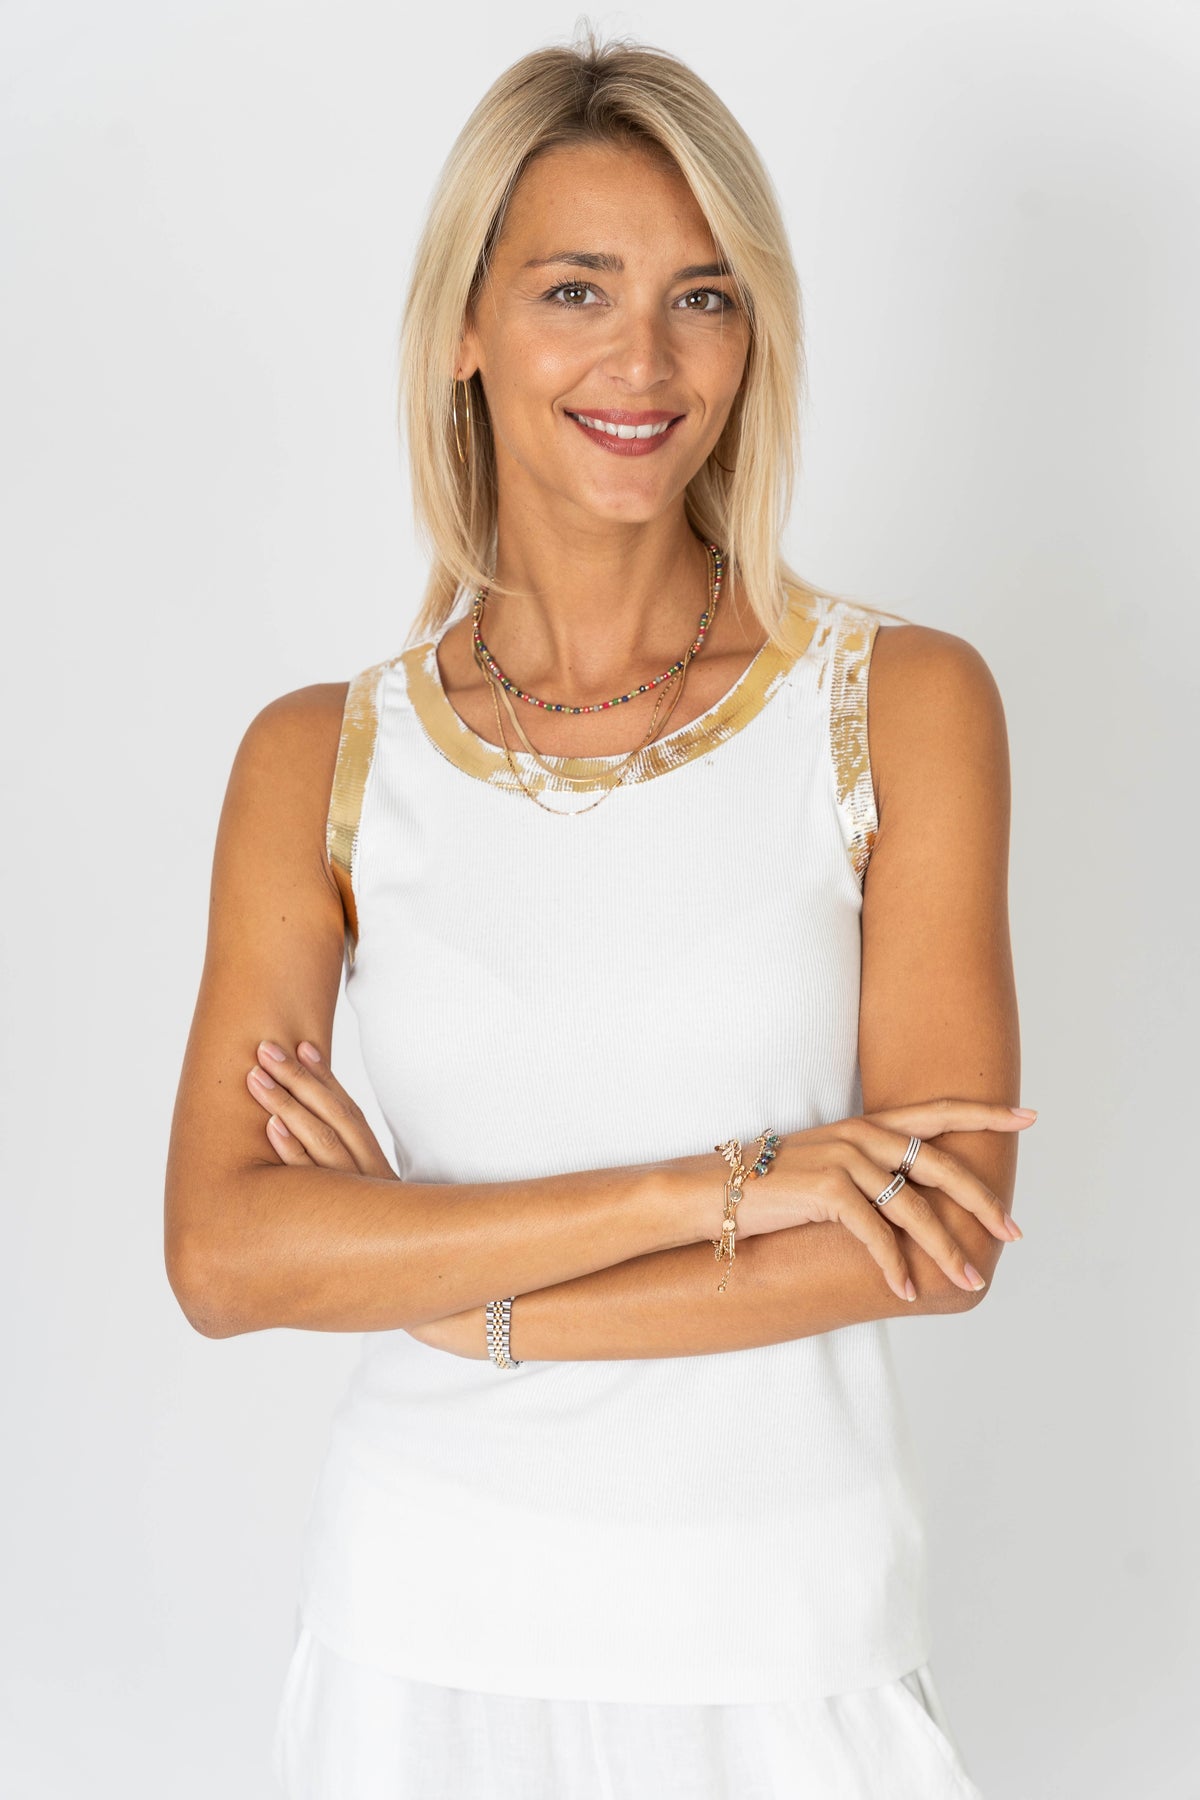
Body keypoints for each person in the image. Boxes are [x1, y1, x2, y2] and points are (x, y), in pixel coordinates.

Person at [164, 30, 1033, 1800]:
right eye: (577, 289)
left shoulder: (899, 704)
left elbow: (941, 1235)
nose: (645, 360)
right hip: (420, 1639)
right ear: (466, 328)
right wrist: (713, 1187)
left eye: (703, 298)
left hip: (789, 1641)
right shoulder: (319, 758)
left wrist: (451, 1289)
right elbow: (225, 1257)